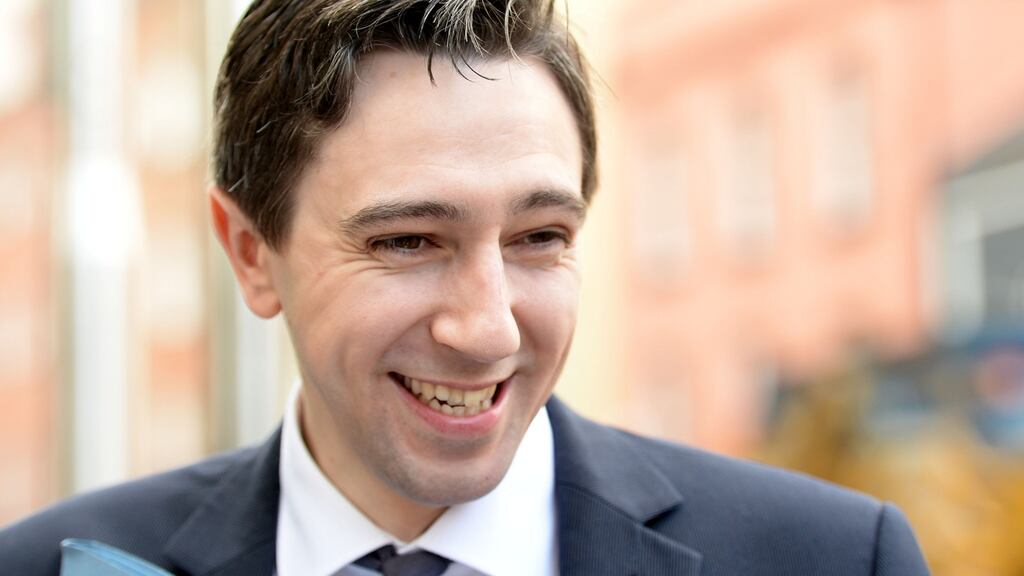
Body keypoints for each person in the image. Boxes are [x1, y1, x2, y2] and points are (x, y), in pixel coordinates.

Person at [0, 1, 931, 574]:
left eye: (539, 237)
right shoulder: (44, 568)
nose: (487, 328)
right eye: (408, 241)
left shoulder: (833, 561)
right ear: (251, 253)